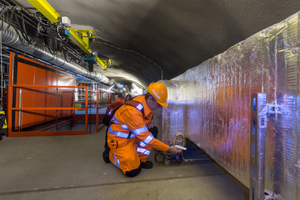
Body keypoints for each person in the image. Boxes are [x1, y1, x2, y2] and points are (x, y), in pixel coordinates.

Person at [102, 82, 181, 177]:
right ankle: (110, 154)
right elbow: (146, 138)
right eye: (159, 104)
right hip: (120, 141)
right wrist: (168, 149)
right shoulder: (132, 112)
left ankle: (141, 158)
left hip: (131, 135)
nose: (160, 107)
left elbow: (141, 121)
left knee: (153, 129)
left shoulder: (145, 102)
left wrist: (147, 123)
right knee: (132, 171)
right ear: (150, 99)